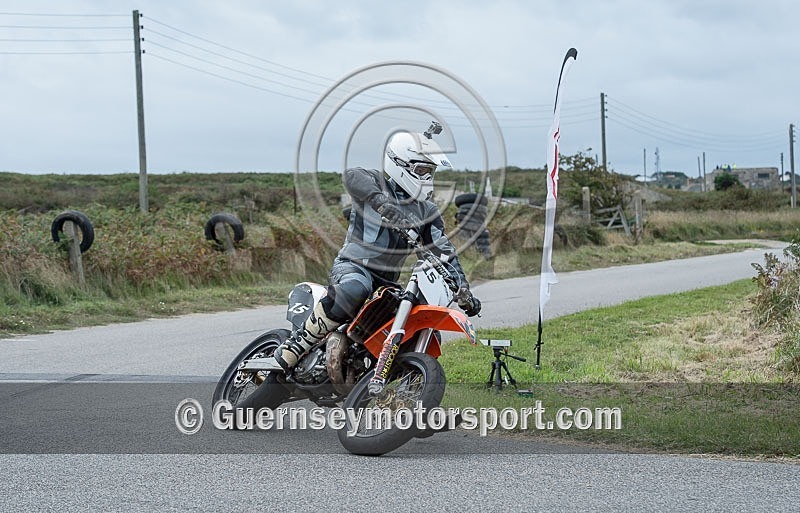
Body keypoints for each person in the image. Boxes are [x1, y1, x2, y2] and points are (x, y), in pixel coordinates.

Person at [274, 128, 482, 371]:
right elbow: (351, 176)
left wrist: (463, 289)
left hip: (386, 283)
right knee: (355, 288)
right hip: (353, 267)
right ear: (399, 164)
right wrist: (381, 202)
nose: (427, 178)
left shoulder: (428, 213)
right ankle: (297, 344)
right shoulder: (375, 182)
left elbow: (444, 252)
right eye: (422, 170)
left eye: (430, 171)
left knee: (406, 316)